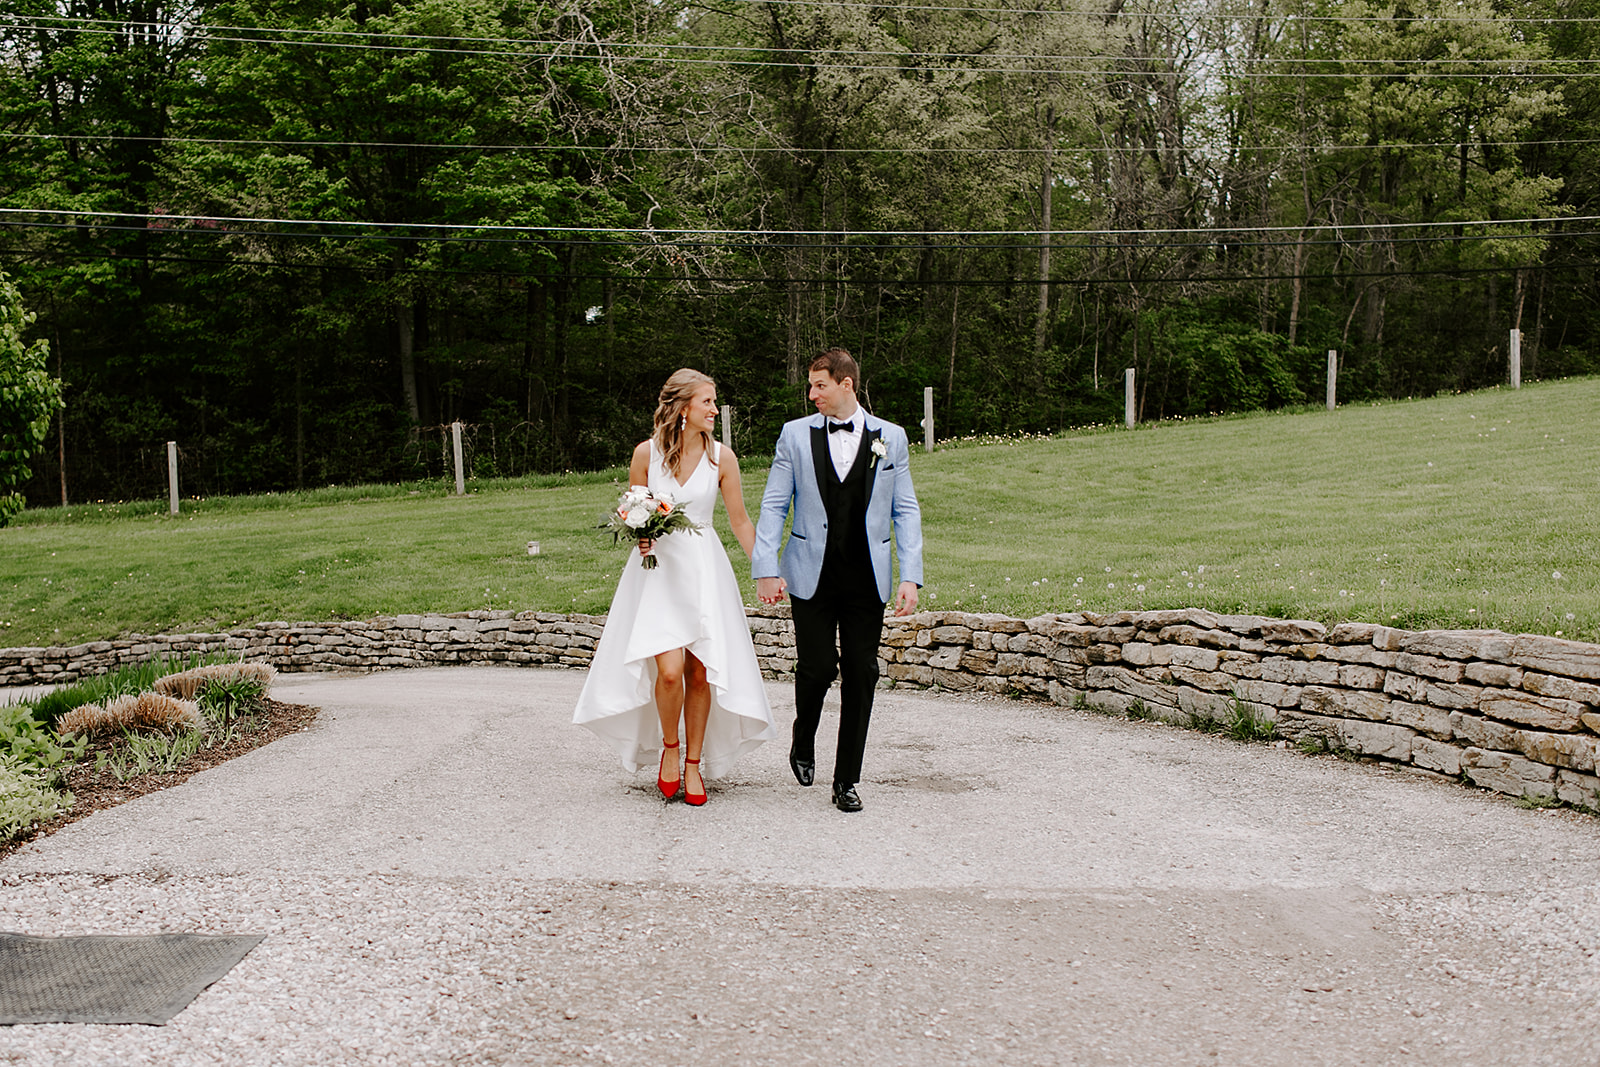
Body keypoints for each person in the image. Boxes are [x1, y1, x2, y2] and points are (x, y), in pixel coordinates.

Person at [573, 369, 776, 805]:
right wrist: (639, 531)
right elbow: (633, 508)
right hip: (658, 571)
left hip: (704, 569)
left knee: (700, 670)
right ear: (683, 407)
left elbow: (739, 520)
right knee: (668, 671)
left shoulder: (723, 458)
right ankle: (669, 748)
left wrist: (766, 569)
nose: (714, 409)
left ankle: (694, 764)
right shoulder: (646, 454)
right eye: (708, 402)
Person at [752, 348, 923, 813]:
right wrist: (766, 565)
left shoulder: (892, 437)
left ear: (846, 384)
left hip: (868, 576)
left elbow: (904, 509)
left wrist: (912, 575)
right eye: (810, 386)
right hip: (811, 571)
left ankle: (846, 779)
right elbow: (773, 505)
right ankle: (803, 736)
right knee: (818, 668)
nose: (811, 395)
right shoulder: (794, 436)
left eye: (819, 385)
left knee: (862, 673)